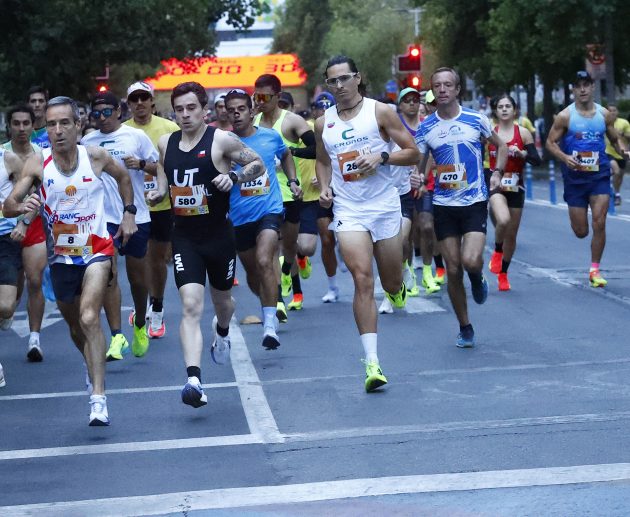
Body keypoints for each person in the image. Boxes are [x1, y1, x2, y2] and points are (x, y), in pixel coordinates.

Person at [4, 96, 137, 425]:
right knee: (76, 326)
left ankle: (98, 398)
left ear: (78, 125)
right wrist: (21, 207)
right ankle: (90, 364)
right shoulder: (38, 164)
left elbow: (123, 178)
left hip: (97, 249)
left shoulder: (95, 156)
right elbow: (8, 205)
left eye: (65, 123)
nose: (58, 130)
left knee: (90, 316)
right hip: (62, 258)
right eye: (51, 124)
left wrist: (129, 214)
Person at [148, 82, 264, 408]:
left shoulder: (221, 140)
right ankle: (193, 380)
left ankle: (222, 331)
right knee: (190, 305)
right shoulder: (166, 142)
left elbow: (256, 163)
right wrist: (160, 190)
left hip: (219, 236)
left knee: (223, 302)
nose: (185, 115)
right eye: (179, 109)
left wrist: (235, 177)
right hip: (185, 237)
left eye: (191, 108)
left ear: (204, 110)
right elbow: (162, 166)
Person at [316, 55, 420, 392]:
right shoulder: (323, 123)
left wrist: (382, 156)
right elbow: (322, 162)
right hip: (349, 209)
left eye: (345, 78)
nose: (339, 86)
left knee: (390, 281)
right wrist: (325, 186)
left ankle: (397, 287)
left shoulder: (380, 111)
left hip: (384, 206)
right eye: (333, 81)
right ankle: (372, 363)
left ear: (358, 78)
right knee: (362, 279)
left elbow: (413, 152)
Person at [413, 67, 507, 348]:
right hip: (443, 205)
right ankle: (465, 327)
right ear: (432, 91)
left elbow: (501, 146)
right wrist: (418, 178)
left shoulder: (476, 119)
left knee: (470, 261)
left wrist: (497, 172)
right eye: (437, 86)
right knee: (453, 268)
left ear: (457, 90)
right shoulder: (426, 127)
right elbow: (419, 164)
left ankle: (477, 278)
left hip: (474, 201)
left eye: (447, 85)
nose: (442, 89)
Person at [81, 91, 158, 359]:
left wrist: (141, 164)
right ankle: (117, 336)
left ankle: (140, 322)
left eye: (106, 112)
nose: (102, 118)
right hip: (102, 219)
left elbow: (159, 167)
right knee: (108, 276)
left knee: (137, 279)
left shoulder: (135, 136)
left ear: (118, 111)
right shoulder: (87, 142)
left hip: (136, 215)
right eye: (96, 114)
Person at [225, 89, 300, 348]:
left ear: (251, 111)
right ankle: (268, 302)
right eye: (231, 110)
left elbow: (286, 154)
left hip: (269, 209)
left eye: (241, 109)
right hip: (238, 216)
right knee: (253, 273)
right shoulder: (223, 143)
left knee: (264, 259)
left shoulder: (270, 136)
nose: (236, 114)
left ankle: (269, 324)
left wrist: (292, 180)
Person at [546, 72, 630, 287]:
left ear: (593, 87)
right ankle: (591, 257)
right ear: (573, 90)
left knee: (599, 222)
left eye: (586, 85)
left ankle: (595, 270)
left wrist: (623, 151)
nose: (582, 89)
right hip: (575, 179)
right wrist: (565, 158)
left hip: (599, 175)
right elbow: (550, 143)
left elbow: (614, 138)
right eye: (578, 86)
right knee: (581, 231)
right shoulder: (565, 116)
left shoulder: (604, 115)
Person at [252, 74, 312, 317]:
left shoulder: (292, 121)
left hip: (290, 192)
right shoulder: (254, 121)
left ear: (277, 96)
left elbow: (316, 149)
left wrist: (290, 152)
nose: (260, 101)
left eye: (265, 97)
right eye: (256, 96)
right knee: (270, 250)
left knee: (289, 246)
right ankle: (277, 300)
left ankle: (288, 268)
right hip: (265, 195)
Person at [125, 81, 180, 338]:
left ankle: (157, 307)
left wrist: (142, 165)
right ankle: (141, 304)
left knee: (157, 259)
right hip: (133, 208)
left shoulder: (169, 129)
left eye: (143, 98)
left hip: (162, 204)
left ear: (152, 101)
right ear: (128, 104)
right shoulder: (122, 131)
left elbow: (176, 165)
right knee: (138, 260)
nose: (139, 103)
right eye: (134, 99)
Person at [2, 105, 47, 360]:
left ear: (33, 126)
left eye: (26, 123)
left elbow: (37, 196)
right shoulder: (4, 155)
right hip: (6, 228)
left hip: (33, 222)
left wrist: (25, 222)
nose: (21, 128)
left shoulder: (40, 155)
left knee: (35, 280)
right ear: (9, 126)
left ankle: (34, 339)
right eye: (16, 123)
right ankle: (7, 311)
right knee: (15, 289)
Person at [487, 94, 541, 291]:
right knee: (503, 220)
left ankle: (503, 273)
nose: (504, 109)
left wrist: (523, 153)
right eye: (500, 106)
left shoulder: (523, 133)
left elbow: (536, 160)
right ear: (495, 111)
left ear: (514, 110)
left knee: (511, 235)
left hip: (516, 186)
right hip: (496, 184)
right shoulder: (490, 133)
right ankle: (497, 251)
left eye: (508, 106)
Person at [311, 94, 341, 302]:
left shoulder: (344, 126)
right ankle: (333, 286)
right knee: (326, 239)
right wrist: (319, 179)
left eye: (327, 107)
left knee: (345, 238)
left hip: (345, 190)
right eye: (320, 108)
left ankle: (345, 253)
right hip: (321, 191)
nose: (324, 111)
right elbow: (312, 157)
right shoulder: (312, 129)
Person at [604, 104, 630, 206]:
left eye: (614, 110)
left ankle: (617, 194)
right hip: (608, 152)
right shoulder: (604, 123)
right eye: (610, 111)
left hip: (622, 153)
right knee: (616, 171)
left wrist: (622, 134)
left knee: (620, 176)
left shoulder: (624, 123)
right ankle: (608, 187)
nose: (612, 113)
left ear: (617, 112)